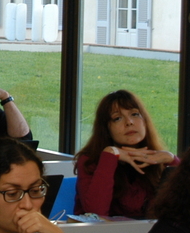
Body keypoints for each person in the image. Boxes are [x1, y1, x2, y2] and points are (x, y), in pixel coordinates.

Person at [73, 90, 177, 218]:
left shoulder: (159, 159)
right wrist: (110, 155)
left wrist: (173, 160)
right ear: (106, 129)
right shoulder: (90, 160)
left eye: (135, 114)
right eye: (117, 118)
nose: (129, 122)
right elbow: (96, 214)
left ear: (145, 121)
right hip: (104, 231)